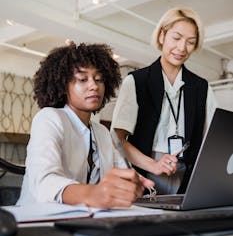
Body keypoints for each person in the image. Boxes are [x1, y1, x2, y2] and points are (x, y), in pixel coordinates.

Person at [17, 42, 154, 208]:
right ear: (62, 85)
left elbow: (122, 171)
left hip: (82, 220)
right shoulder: (49, 118)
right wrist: (93, 193)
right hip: (37, 221)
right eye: (83, 79)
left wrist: (134, 182)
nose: (94, 86)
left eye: (99, 79)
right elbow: (44, 182)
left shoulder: (102, 132)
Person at [111, 7, 217, 195]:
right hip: (144, 174)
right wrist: (153, 164)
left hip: (187, 177)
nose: (182, 48)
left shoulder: (202, 88)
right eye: (176, 38)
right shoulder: (136, 81)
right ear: (162, 35)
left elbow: (212, 139)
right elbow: (118, 139)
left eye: (190, 42)